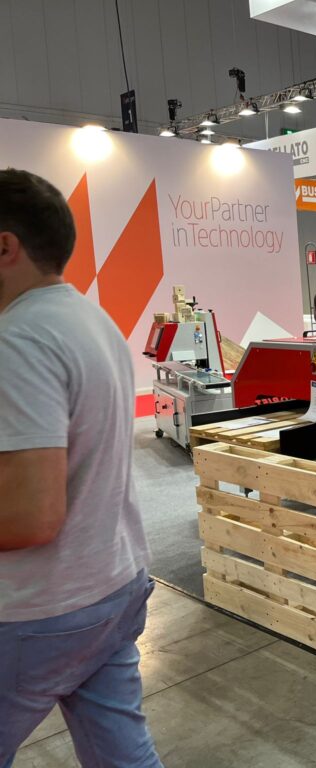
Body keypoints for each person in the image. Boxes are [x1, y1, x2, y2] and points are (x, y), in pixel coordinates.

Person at [0, 169, 162, 766]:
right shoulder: (93, 321)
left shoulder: (17, 339)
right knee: (123, 755)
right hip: (112, 587)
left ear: (4, 246)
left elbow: (32, 515)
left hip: (39, 610)